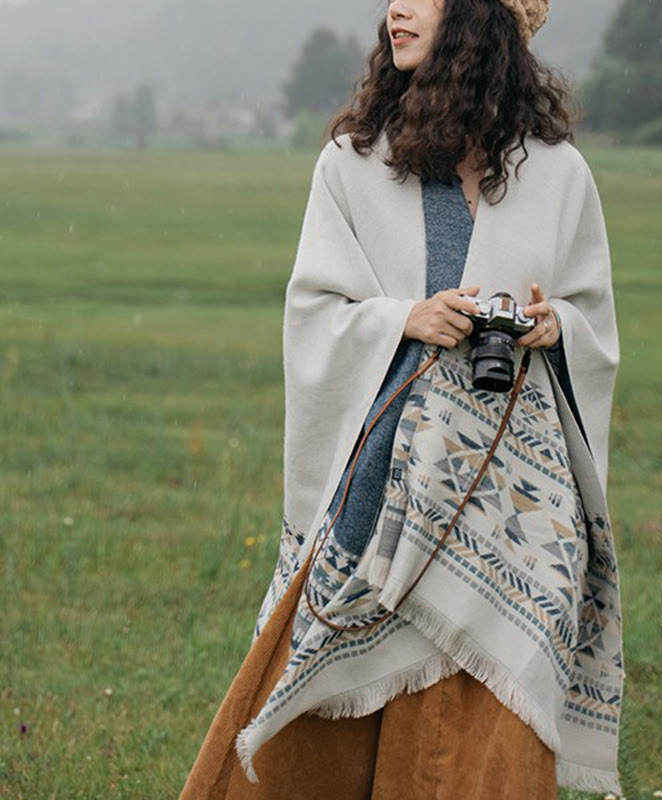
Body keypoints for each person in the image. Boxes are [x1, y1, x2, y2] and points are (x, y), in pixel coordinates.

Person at [179, 0, 623, 798]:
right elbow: (313, 313)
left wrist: (555, 325)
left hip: (515, 508)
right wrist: (404, 320)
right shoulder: (353, 164)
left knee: (498, 716)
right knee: (322, 713)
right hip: (385, 487)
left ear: (478, 17)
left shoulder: (559, 173)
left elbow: (593, 318)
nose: (395, 8)